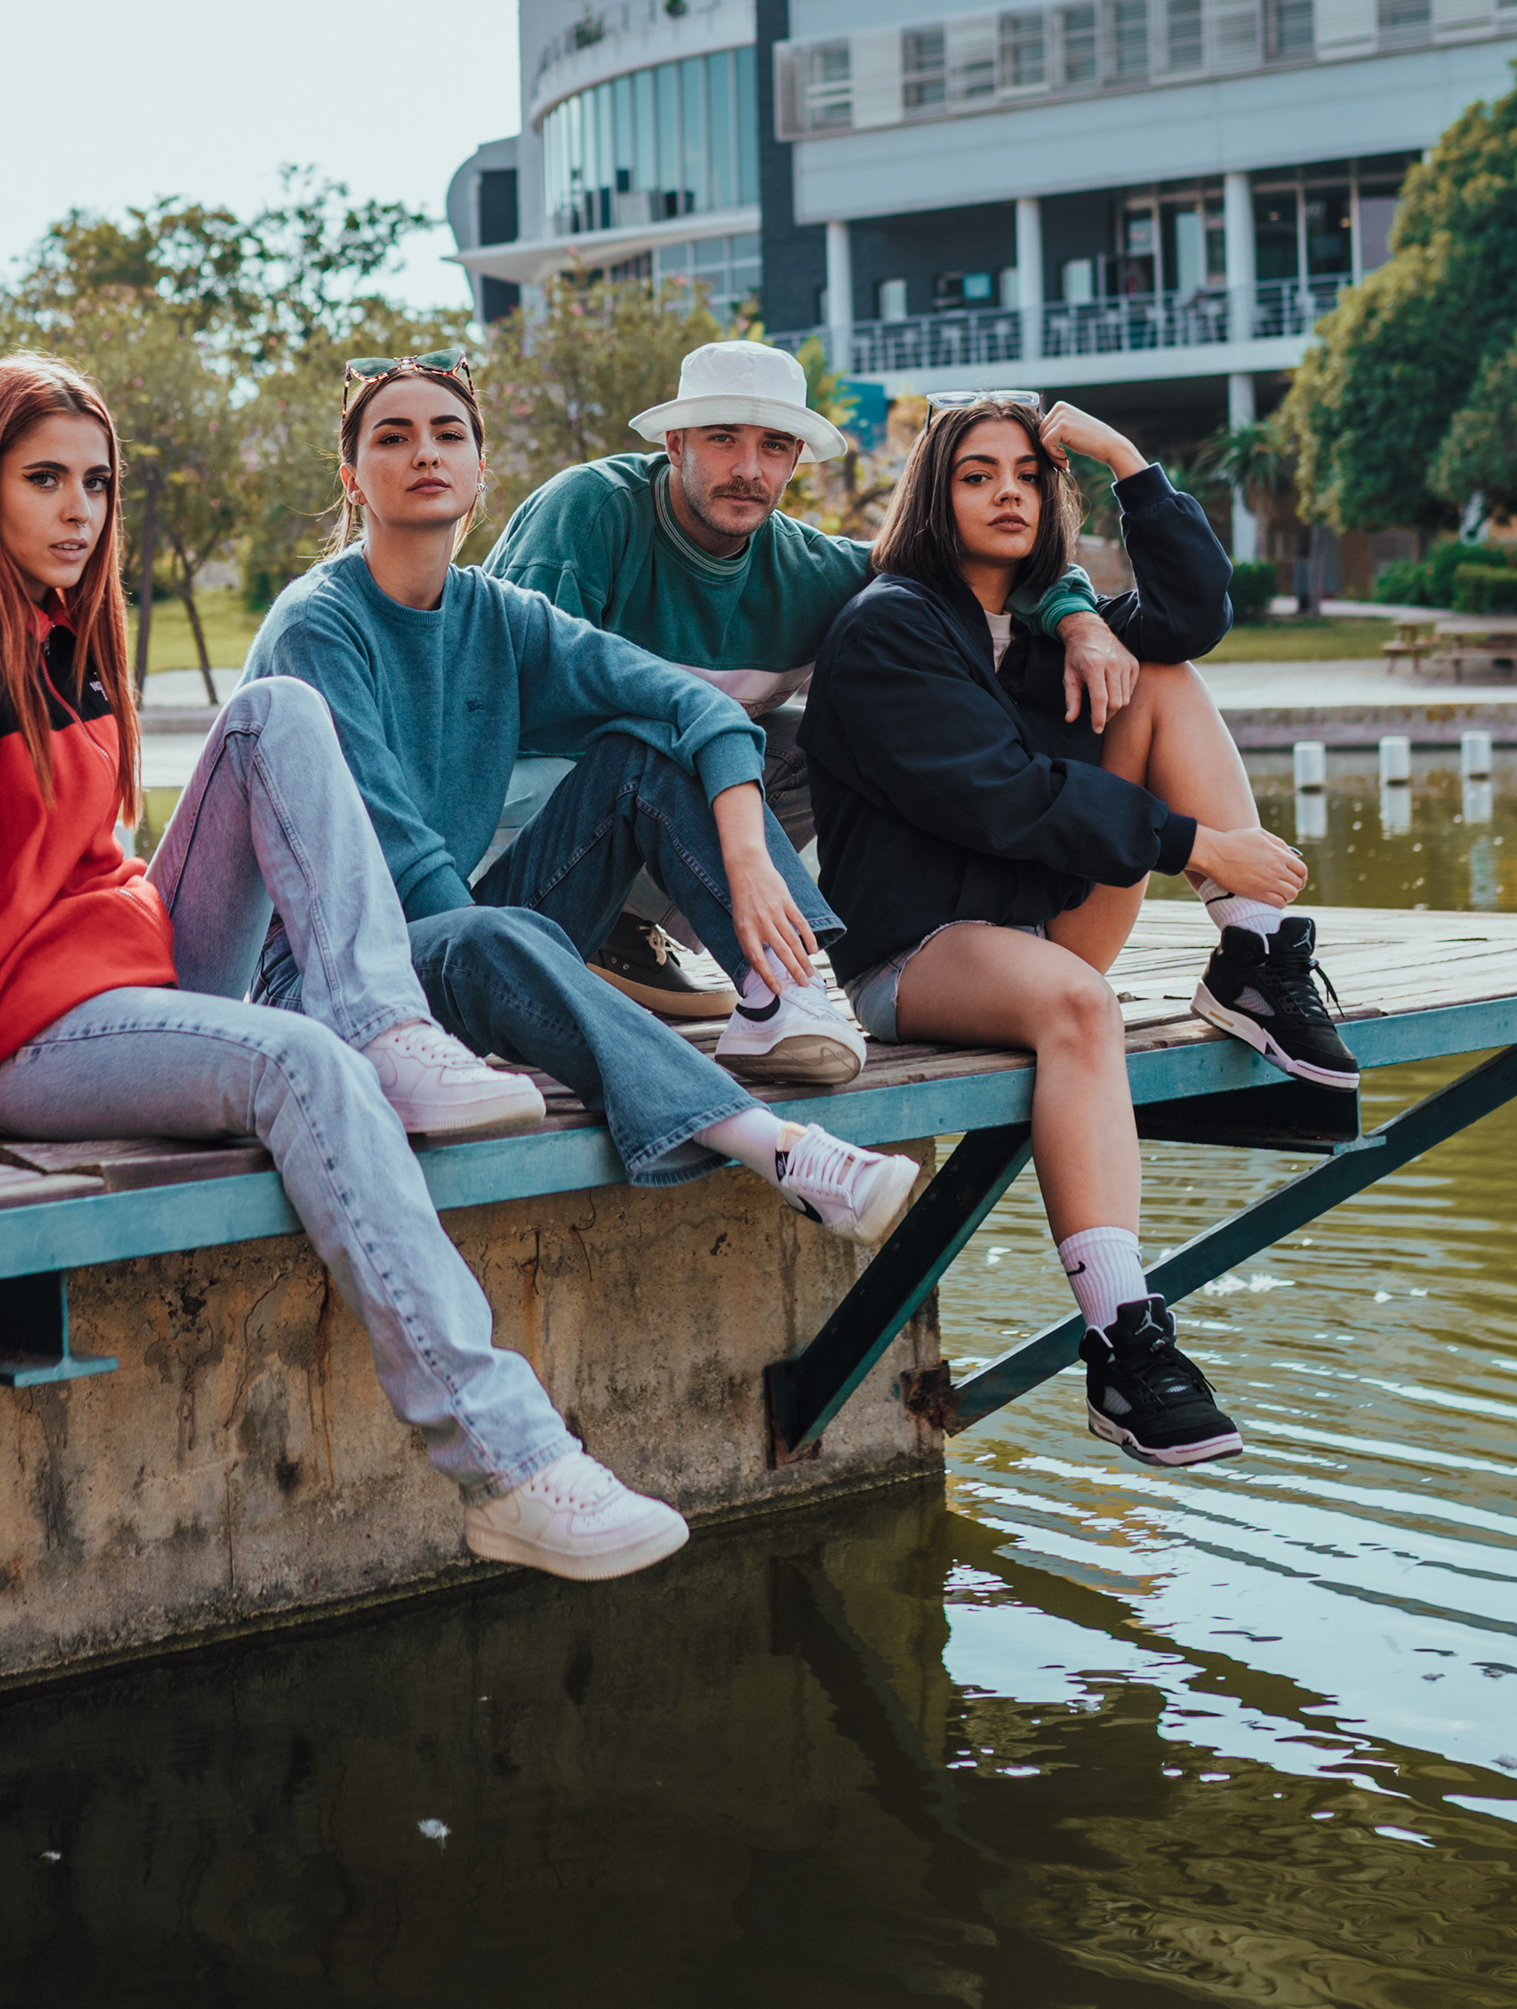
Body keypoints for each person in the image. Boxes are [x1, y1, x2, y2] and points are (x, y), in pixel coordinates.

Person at [0, 354, 692, 1585]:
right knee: (302, 1067)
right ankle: (509, 1462)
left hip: (124, 977)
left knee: (279, 710)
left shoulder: (68, 638)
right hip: (16, 1039)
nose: (78, 510)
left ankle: (389, 1026)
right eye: (43, 480)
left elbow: (92, 862)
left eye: (95, 482)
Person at [242, 349, 920, 1247]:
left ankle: (780, 988)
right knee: (491, 936)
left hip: (459, 952)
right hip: (326, 983)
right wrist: (530, 961)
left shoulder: (495, 613)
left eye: (448, 434)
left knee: (642, 749)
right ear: (353, 477)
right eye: (394, 438)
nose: (425, 453)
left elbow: (692, 709)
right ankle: (781, 1150)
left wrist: (749, 859)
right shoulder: (317, 623)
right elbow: (397, 860)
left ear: (480, 470)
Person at [799, 395, 1358, 1470]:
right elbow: (999, 795)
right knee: (1077, 1002)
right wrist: (1196, 843)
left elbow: (1191, 616)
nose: (1007, 493)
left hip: (1041, 923)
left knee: (1164, 676)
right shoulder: (888, 627)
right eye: (977, 475)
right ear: (934, 496)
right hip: (918, 952)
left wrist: (1125, 462)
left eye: (1027, 474)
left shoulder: (1050, 618)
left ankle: (1251, 956)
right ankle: (1123, 1342)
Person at [485, 340, 1129, 1019]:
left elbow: (964, 557)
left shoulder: (813, 572)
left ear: (795, 459)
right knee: (655, 756)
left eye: (773, 446)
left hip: (665, 812)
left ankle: (627, 929)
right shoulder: (588, 512)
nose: (748, 469)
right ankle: (775, 988)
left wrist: (1079, 620)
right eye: (723, 438)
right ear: (675, 443)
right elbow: (492, 709)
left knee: (822, 742)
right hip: (510, 821)